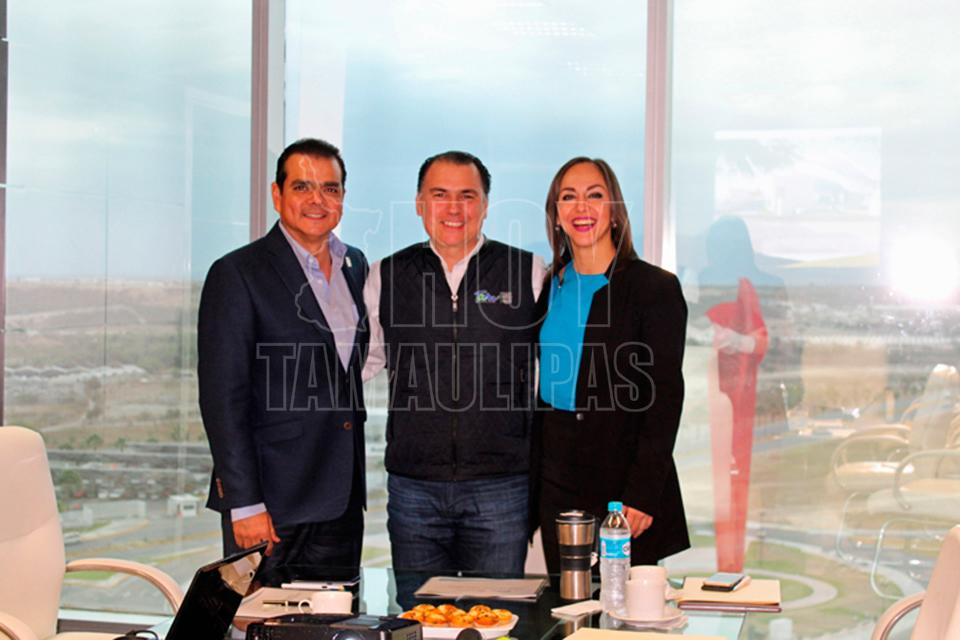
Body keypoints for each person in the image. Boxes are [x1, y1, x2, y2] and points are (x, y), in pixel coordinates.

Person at [363, 151, 546, 574]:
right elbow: (361, 364)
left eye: (467, 195)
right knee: (419, 611)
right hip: (413, 488)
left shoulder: (528, 272)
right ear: (419, 203)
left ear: (485, 205)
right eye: (440, 194)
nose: (454, 208)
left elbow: (553, 370)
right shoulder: (385, 275)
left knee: (498, 612)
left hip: (501, 486)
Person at [198, 138, 369, 577]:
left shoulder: (356, 265)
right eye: (302, 187)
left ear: (343, 198)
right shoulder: (237, 273)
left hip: (341, 502)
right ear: (277, 195)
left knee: (338, 612)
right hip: (271, 505)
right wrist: (244, 503)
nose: (317, 200)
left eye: (330, 188)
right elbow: (223, 399)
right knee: (264, 614)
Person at [534, 157, 689, 572]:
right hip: (556, 473)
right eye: (568, 197)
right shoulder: (551, 285)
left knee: (625, 604)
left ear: (615, 210)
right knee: (567, 600)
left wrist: (643, 493)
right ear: (556, 215)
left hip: (623, 476)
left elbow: (664, 399)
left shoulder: (654, 289)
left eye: (595, 195)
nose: (581, 207)